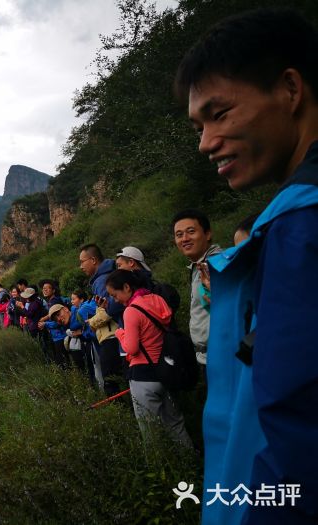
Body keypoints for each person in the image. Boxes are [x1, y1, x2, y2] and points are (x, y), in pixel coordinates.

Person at [176, 8, 318, 524]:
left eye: (220, 114)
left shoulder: (300, 227)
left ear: (289, 89)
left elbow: (295, 430)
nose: (206, 142)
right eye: (199, 125)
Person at [105, 270, 193, 448]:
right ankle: (190, 461)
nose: (115, 300)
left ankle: (161, 470)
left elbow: (131, 348)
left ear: (127, 287)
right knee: (176, 424)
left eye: (115, 295)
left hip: (143, 376)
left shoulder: (131, 311)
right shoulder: (157, 299)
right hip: (166, 371)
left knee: (150, 432)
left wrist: (120, 333)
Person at [171, 209, 221, 366]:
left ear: (207, 234)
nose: (184, 239)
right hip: (208, 357)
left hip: (222, 355)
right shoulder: (198, 265)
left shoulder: (218, 264)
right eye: (179, 235)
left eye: (191, 232)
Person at [80, 243, 125, 396]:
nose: (81, 266)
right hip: (116, 335)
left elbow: (109, 308)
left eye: (82, 261)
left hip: (111, 336)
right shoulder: (103, 277)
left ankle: (121, 416)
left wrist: (92, 322)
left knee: (112, 382)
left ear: (93, 260)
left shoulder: (102, 280)